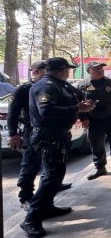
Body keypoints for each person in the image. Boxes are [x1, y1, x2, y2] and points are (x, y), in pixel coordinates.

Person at [20, 57, 95, 237]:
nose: (69, 73)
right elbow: (46, 112)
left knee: (55, 176)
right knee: (51, 177)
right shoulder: (47, 86)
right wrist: (77, 109)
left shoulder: (57, 84)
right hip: (48, 137)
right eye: (68, 69)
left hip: (57, 136)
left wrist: (80, 107)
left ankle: (47, 207)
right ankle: (31, 219)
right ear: (62, 70)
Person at [8, 61, 72, 210]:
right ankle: (26, 197)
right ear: (36, 71)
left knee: (50, 166)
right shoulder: (24, 89)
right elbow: (13, 113)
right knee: (30, 164)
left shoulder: (55, 85)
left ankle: (48, 198)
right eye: (45, 70)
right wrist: (13, 133)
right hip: (33, 130)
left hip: (52, 130)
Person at [77, 62, 111, 181]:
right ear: (89, 70)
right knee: (96, 144)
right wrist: (83, 118)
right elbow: (78, 103)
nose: (100, 70)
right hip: (94, 120)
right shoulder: (82, 85)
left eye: (101, 68)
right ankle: (100, 167)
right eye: (97, 69)